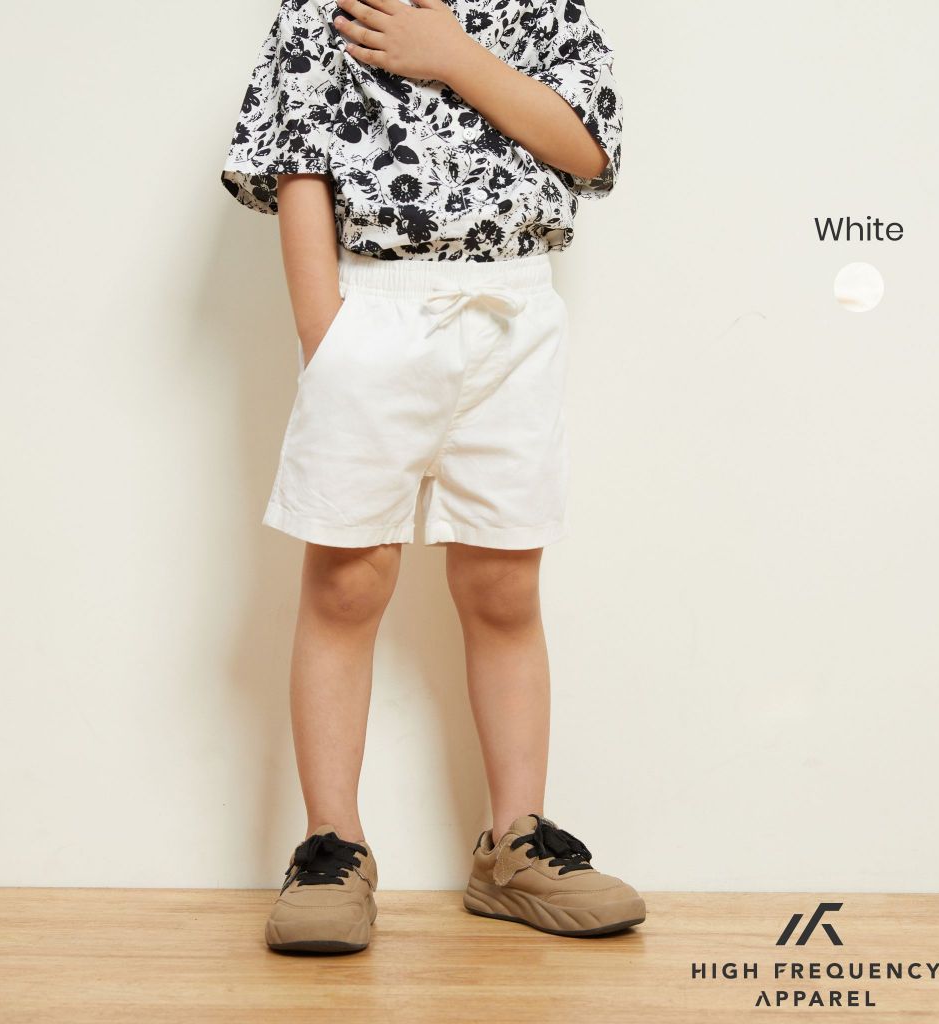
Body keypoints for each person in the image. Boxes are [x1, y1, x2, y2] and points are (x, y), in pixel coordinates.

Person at [220, 0, 645, 953]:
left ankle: (516, 844)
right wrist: (326, 338)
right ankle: (332, 846)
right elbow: (298, 165)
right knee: (347, 580)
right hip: (372, 309)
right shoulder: (324, 9)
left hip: (514, 314)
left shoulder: (546, 7)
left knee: (503, 582)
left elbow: (588, 152)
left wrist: (454, 56)